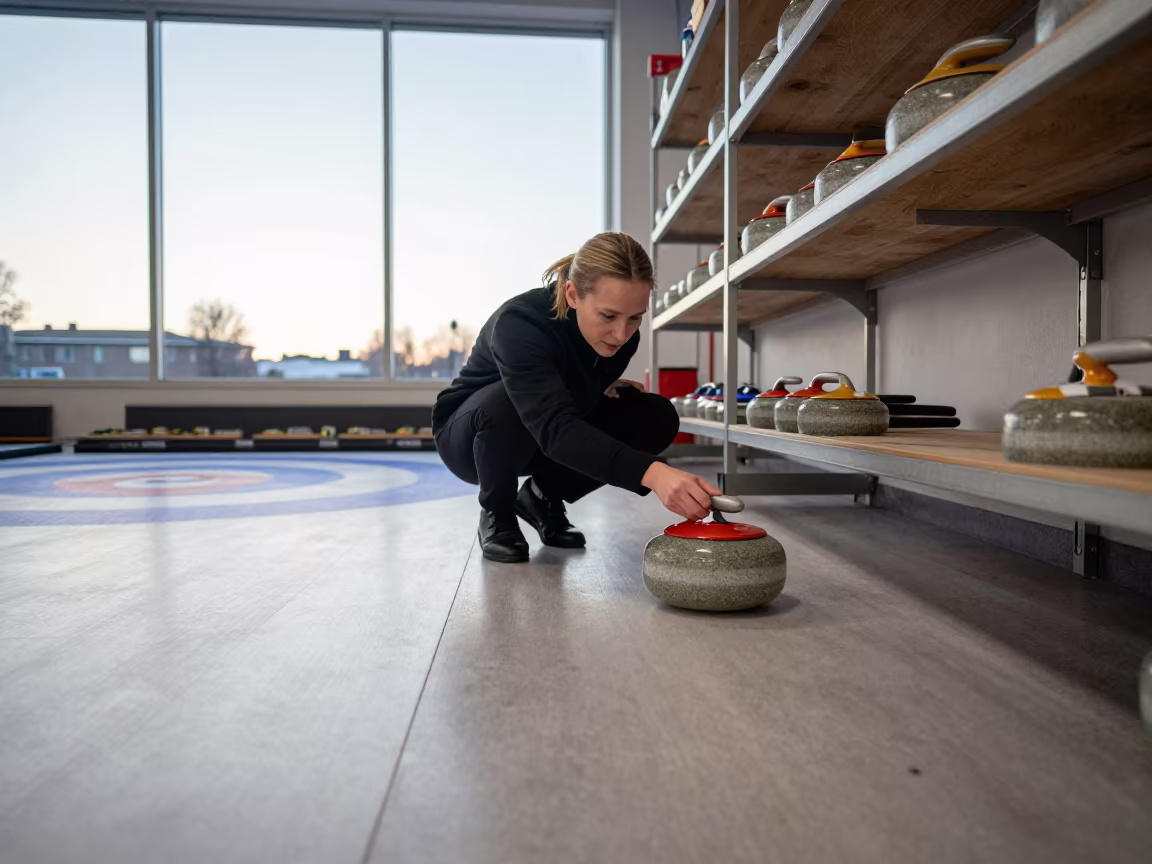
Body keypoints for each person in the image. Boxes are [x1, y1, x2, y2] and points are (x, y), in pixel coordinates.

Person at [432, 231, 722, 562]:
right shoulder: (521, 323)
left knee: (655, 416)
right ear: (572, 294)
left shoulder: (623, 338)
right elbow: (555, 426)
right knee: (508, 399)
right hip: (470, 438)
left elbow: (569, 407)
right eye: (608, 316)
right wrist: (653, 473)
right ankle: (497, 512)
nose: (622, 334)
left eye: (635, 318)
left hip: (538, 434)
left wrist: (601, 388)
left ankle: (542, 496)